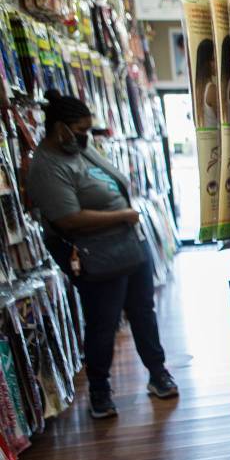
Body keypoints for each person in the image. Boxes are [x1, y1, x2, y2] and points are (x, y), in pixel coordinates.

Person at [27, 91, 177, 419]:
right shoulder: (47, 167)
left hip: (127, 243)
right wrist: (123, 216)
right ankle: (99, 391)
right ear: (60, 128)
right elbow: (68, 219)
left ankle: (158, 372)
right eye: (81, 130)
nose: (86, 136)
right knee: (103, 322)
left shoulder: (80, 150)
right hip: (97, 253)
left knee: (143, 311)